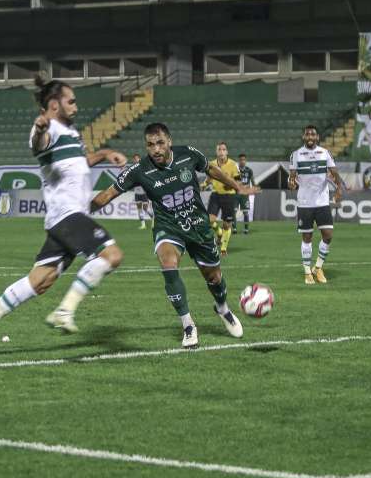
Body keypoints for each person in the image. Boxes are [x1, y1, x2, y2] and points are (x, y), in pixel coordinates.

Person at [0, 78, 127, 360]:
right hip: (68, 215)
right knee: (111, 255)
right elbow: (39, 145)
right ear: (54, 104)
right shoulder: (48, 128)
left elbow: (81, 161)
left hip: (66, 217)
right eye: (71, 100)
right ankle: (65, 311)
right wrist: (39, 129)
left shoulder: (71, 133)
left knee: (40, 280)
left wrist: (105, 153)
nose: (76, 105)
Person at [89, 122, 258, 349]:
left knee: (214, 278)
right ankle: (188, 324)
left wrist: (237, 187)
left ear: (169, 141)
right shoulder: (139, 170)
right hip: (168, 227)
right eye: (150, 145)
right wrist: (79, 214)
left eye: (160, 143)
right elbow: (108, 194)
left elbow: (210, 169)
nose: (156, 149)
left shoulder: (187, 154)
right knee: (168, 264)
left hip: (198, 226)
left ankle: (223, 309)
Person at [289, 124, 345, 285]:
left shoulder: (324, 153)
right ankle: (307, 272)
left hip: (322, 202)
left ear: (317, 137)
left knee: (328, 235)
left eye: (313, 134)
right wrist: (291, 184)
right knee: (307, 237)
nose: (310, 137)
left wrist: (339, 189)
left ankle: (318, 268)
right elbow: (291, 178)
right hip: (305, 203)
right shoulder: (296, 155)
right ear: (303, 137)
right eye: (308, 134)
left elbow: (334, 173)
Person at [202, 141, 240, 256]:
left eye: (223, 149)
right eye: (219, 149)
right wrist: (204, 184)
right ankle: (219, 232)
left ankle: (223, 248)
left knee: (227, 225)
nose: (221, 152)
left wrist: (231, 184)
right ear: (216, 152)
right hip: (216, 195)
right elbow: (209, 178)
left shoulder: (233, 164)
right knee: (209, 221)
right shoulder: (212, 164)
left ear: (227, 152)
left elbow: (238, 180)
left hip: (229, 196)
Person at [236, 153, 255, 234]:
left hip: (245, 194)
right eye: (241, 160)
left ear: (245, 161)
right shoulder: (235, 170)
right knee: (233, 211)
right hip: (236, 193)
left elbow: (252, 181)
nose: (242, 161)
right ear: (239, 161)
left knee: (245, 212)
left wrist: (254, 188)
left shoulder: (249, 170)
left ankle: (246, 229)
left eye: (244, 160)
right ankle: (234, 229)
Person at [131, 153, 151, 229]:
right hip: (137, 192)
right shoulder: (132, 169)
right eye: (134, 159)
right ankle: (143, 224)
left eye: (137, 158)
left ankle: (154, 219)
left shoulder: (143, 168)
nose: (136, 160)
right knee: (139, 209)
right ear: (133, 160)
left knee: (145, 209)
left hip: (144, 192)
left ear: (140, 159)